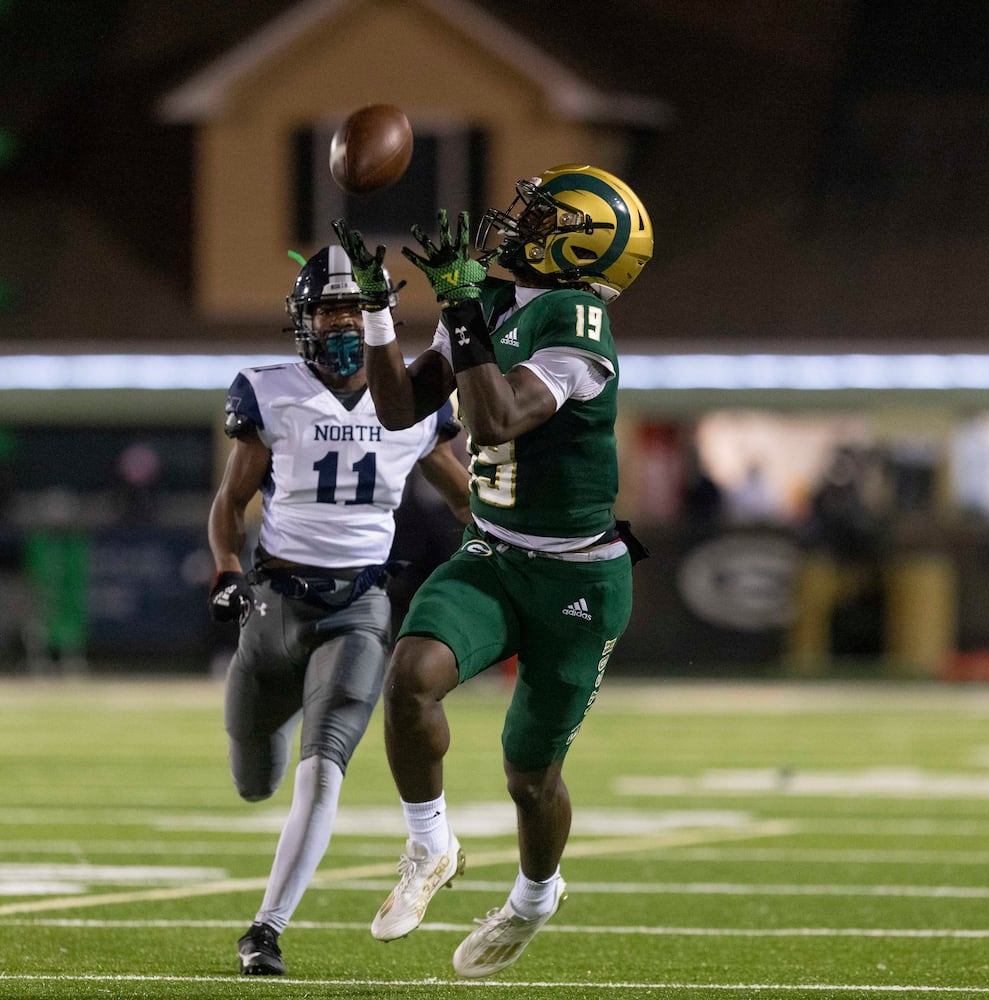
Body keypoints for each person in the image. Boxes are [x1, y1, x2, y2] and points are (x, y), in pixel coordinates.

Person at [333, 162, 653, 978]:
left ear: (579, 246)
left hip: (577, 581)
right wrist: (380, 313)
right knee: (410, 675)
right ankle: (428, 846)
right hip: (495, 553)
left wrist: (461, 307)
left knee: (528, 773)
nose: (517, 224)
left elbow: (498, 417)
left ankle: (535, 897)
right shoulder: (496, 305)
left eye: (540, 217)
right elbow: (404, 410)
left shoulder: (577, 316)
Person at [207, 244, 471, 976]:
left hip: (358, 606)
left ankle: (266, 928)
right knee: (253, 779)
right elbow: (231, 503)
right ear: (304, 319)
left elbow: (462, 497)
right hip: (274, 607)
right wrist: (226, 568)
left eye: (354, 307)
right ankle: (287, 703)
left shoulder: (415, 403)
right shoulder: (271, 390)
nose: (341, 321)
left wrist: (519, 537)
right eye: (328, 308)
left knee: (322, 770)